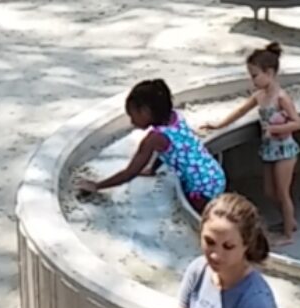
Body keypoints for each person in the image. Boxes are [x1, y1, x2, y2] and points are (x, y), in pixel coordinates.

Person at [201, 43, 300, 243]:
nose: (252, 80)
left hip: (284, 150)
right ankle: (288, 220)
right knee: (269, 191)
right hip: (268, 149)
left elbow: (297, 123)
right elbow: (240, 111)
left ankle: (288, 234)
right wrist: (218, 125)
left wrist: (276, 129)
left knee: (282, 192)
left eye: (255, 75)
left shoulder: (281, 97)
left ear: (270, 72)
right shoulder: (260, 96)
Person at [77, 79, 225, 213]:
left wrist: (97, 186)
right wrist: (152, 169)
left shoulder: (153, 138)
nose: (131, 121)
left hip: (202, 191)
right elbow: (170, 150)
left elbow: (130, 172)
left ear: (145, 112)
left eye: (132, 115)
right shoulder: (175, 117)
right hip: (215, 175)